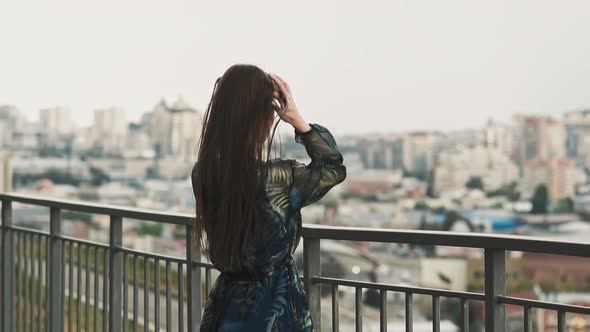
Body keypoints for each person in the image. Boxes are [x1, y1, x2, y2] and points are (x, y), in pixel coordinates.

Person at [191, 64, 347, 331]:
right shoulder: (280, 179)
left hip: (227, 304)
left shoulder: (203, 172)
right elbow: (332, 168)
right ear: (258, 119)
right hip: (275, 307)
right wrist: (297, 120)